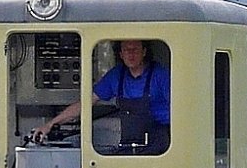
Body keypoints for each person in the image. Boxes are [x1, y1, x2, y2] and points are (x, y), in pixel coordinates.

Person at [34, 39, 170, 154]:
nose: (131, 54)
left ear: (144, 52)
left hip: (160, 146)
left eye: (135, 49)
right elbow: (85, 104)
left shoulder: (161, 75)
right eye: (126, 50)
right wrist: (50, 124)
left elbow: (181, 110)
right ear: (121, 54)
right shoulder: (116, 75)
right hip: (128, 146)